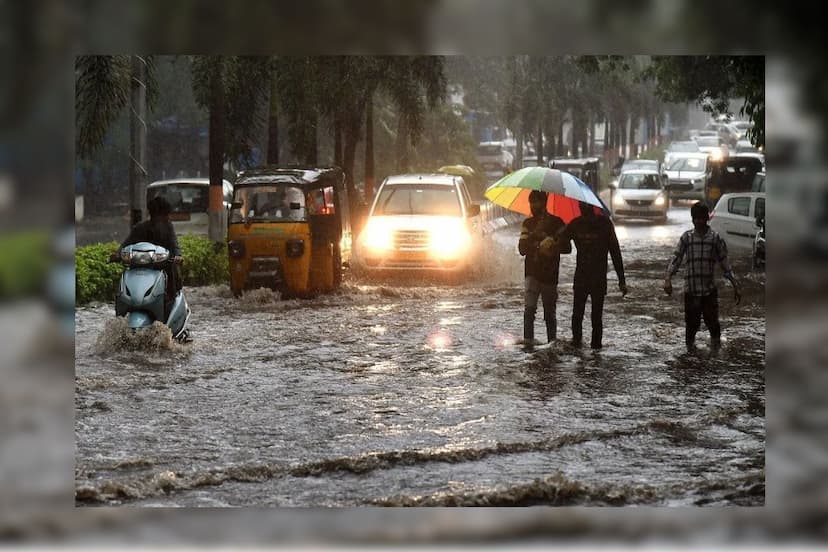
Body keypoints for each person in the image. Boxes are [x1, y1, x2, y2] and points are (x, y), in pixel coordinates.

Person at [664, 201, 741, 352]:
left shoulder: (715, 239)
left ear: (707, 219)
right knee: (691, 327)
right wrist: (668, 278)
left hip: (708, 291)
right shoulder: (687, 238)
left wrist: (735, 285)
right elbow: (676, 259)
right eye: (696, 219)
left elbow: (725, 263)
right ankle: (690, 356)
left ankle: (714, 357)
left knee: (713, 326)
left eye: (701, 218)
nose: (699, 222)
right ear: (692, 219)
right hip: (691, 291)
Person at [561, 201, 628, 349]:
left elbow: (615, 251)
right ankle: (585, 347)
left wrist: (622, 280)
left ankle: (585, 347)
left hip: (593, 278)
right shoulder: (580, 224)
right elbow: (563, 244)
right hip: (587, 277)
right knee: (582, 315)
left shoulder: (599, 224)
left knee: (589, 316)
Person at [518, 190, 571, 346]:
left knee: (549, 313)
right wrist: (536, 237)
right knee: (529, 311)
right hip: (532, 273)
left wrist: (553, 243)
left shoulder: (558, 223)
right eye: (531, 203)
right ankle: (528, 343)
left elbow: (567, 247)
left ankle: (552, 344)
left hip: (550, 274)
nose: (533, 206)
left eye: (536, 202)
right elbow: (522, 248)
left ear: (544, 203)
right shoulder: (528, 224)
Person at [111, 196, 183, 309]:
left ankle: (169, 303)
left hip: (162, 265)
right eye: (163, 215)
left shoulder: (168, 227)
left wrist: (178, 256)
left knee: (171, 274)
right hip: (140, 265)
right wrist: (117, 254)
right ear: (155, 215)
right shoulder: (140, 228)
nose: (166, 218)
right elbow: (127, 243)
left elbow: (174, 244)